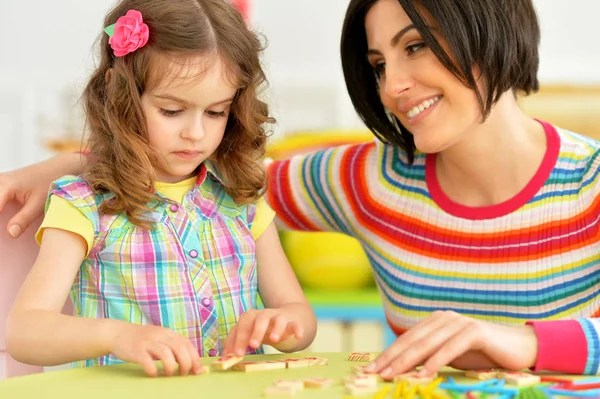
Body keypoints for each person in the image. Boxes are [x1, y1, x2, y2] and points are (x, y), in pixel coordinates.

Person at [2, 0, 598, 378]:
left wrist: (524, 343)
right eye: (377, 63)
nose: (393, 86)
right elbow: (190, 178)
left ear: (490, 24)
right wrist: (67, 168)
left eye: (415, 45)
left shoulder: (590, 181)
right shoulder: (369, 180)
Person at [4, 0, 316, 378]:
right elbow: (24, 332)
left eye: (216, 112)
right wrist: (116, 336)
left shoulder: (241, 200)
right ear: (119, 94)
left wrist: (282, 326)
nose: (195, 133)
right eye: (171, 111)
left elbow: (300, 316)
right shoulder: (84, 205)